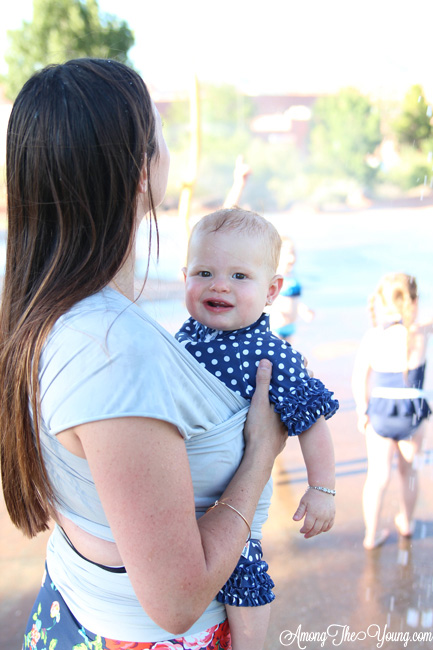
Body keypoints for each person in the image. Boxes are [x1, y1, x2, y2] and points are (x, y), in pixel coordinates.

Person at [0, 59, 290, 650]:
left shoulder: (37, 309)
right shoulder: (112, 348)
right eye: (158, 136)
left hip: (72, 614)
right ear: (139, 170)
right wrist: (261, 451)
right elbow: (178, 601)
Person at [176, 208, 338, 650]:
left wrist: (322, 487)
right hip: (179, 498)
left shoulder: (272, 354)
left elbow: (311, 420)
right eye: (204, 272)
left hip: (234, 500)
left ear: (271, 291)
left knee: (242, 567)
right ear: (184, 277)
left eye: (240, 276)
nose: (220, 285)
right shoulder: (182, 338)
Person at [352, 273, 432, 550]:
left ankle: (371, 535)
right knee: (409, 472)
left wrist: (362, 410)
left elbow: (359, 376)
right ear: (415, 301)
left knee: (377, 476)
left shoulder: (374, 336)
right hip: (412, 413)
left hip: (382, 413)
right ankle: (407, 523)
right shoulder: (419, 331)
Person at [270, 236, 314, 343]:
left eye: (293, 253)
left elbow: (294, 300)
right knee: (275, 356)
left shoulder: (293, 276)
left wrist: (303, 310)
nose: (292, 258)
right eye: (288, 254)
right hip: (276, 326)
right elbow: (265, 301)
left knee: (288, 356)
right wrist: (275, 313)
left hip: (290, 327)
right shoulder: (274, 278)